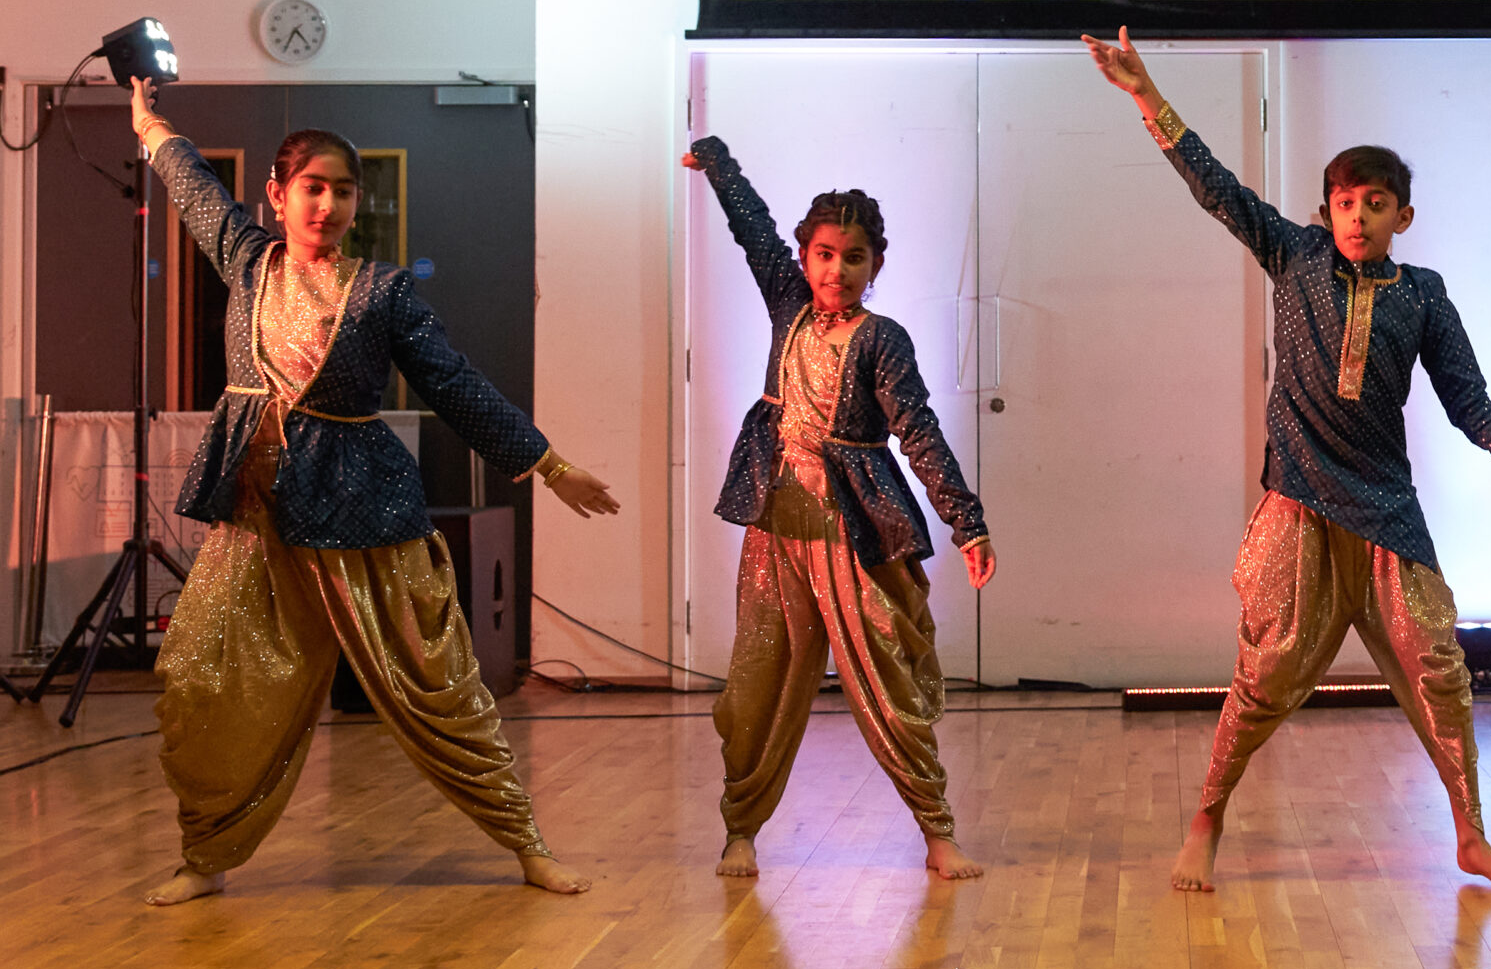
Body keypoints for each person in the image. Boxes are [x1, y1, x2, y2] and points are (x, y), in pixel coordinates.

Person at [1082, 29, 1491, 894]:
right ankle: (1207, 818)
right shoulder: (1295, 255)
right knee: (1268, 674)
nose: (1357, 216)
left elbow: (1468, 403)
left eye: (1375, 202)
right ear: (1325, 212)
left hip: (1386, 509)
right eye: (1344, 202)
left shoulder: (1424, 296)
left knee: (1439, 665)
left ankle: (1470, 836)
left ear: (1404, 215)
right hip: (1299, 503)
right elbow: (1215, 186)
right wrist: (1146, 93)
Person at [128, 77, 616, 905]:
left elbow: (452, 384)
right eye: (312, 188)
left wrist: (545, 462)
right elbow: (191, 185)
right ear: (277, 196)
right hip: (257, 507)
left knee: (434, 680)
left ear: (359, 202)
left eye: (343, 191)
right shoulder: (248, 261)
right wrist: (149, 125)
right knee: (199, 677)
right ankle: (205, 853)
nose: (327, 205)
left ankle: (523, 840)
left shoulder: (383, 292)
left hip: (360, 506)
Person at [684, 136, 995, 882]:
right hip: (777, 529)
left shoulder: (883, 341)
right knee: (757, 680)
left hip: (856, 534)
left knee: (889, 679)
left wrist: (967, 521)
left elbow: (917, 429)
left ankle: (936, 829)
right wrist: (721, 165)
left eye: (852, 257)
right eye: (824, 254)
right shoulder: (788, 307)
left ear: (874, 265)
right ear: (805, 256)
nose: (836, 269)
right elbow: (754, 230)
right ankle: (740, 831)